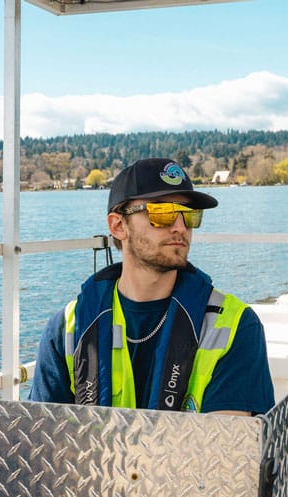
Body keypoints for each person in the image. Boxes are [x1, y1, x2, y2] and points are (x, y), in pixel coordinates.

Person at [30, 158, 275, 416]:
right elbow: (47, 438)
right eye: (163, 214)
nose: (180, 227)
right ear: (118, 226)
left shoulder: (234, 326)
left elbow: (225, 448)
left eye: (189, 215)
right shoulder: (65, 329)